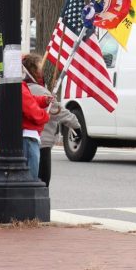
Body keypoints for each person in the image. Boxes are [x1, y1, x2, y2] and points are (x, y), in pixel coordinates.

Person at [23, 55, 80, 186]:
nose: (42, 70)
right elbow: (59, 112)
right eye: (39, 67)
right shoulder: (37, 89)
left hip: (32, 141)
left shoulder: (29, 88)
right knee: (42, 182)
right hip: (41, 143)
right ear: (33, 70)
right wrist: (77, 126)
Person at [19, 53, 54, 181]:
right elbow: (31, 109)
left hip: (28, 135)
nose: (41, 70)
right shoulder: (19, 87)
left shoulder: (21, 86)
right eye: (39, 67)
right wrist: (45, 116)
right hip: (28, 137)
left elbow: (31, 100)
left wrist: (44, 101)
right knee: (31, 179)